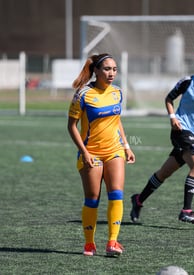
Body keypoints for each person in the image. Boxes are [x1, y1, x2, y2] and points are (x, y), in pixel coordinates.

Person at [130, 51, 194, 224]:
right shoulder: (188, 82)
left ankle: (138, 200)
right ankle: (186, 211)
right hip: (181, 130)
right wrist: (172, 118)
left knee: (164, 173)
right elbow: (169, 99)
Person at [67, 53, 135, 256]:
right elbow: (71, 126)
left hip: (114, 151)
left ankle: (112, 242)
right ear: (96, 70)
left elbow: (117, 121)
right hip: (92, 154)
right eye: (107, 69)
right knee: (92, 198)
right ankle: (89, 244)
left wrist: (126, 146)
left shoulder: (117, 93)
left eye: (114, 69)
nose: (111, 73)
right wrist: (84, 152)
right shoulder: (83, 94)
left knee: (116, 194)